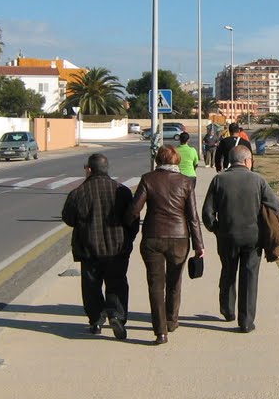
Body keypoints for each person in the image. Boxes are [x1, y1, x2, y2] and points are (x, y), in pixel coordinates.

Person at [129, 145, 205, 345]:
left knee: (155, 284)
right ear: (176, 160)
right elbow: (193, 217)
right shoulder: (185, 182)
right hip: (180, 238)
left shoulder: (148, 179)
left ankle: (160, 331)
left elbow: (134, 209)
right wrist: (199, 244)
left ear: (158, 160)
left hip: (153, 236)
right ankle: (172, 320)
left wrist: (128, 229)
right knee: (174, 281)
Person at [202, 145, 279, 333]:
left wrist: (215, 228)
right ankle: (245, 321)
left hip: (227, 236)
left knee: (228, 272)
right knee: (249, 277)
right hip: (253, 238)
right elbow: (276, 204)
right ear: (247, 161)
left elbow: (207, 212)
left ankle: (228, 310)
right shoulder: (258, 180)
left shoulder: (219, 179)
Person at [61, 153, 138, 340]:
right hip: (117, 248)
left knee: (91, 286)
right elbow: (133, 220)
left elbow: (68, 219)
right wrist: (128, 239)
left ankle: (96, 319)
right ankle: (117, 315)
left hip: (89, 248)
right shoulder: (122, 191)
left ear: (89, 169)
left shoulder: (78, 193)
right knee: (117, 283)